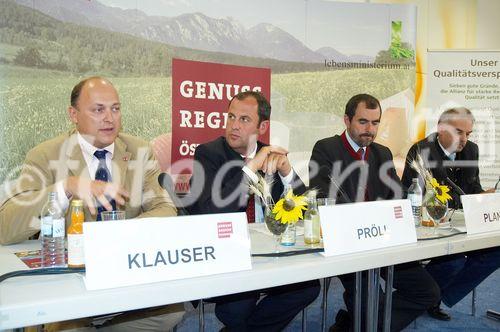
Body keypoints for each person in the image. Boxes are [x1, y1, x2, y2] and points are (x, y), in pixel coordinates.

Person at [0, 76, 184, 331]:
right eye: (99, 109)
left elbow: (165, 209)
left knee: (171, 312)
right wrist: (67, 187)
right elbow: (6, 227)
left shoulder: (139, 151)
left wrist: (116, 234)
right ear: (73, 114)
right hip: (69, 285)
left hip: (123, 275)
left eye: (115, 109)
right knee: (69, 325)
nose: (110, 118)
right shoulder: (46, 155)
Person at [188, 91, 320, 331]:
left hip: (270, 253)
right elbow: (212, 213)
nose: (234, 126)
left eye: (244, 120)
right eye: (231, 117)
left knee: (308, 288)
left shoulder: (270, 154)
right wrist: (251, 169)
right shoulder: (208, 154)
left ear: (263, 126)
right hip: (229, 255)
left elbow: (305, 211)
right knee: (237, 308)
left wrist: (288, 173)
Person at [309, 94, 440, 332]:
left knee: (428, 292)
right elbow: (324, 197)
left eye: (375, 122)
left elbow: (397, 195)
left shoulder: (382, 153)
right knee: (372, 310)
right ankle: (363, 321)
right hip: (349, 244)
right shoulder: (326, 148)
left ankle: (351, 324)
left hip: (384, 240)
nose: (370, 129)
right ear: (346, 120)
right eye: (363, 122)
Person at [401, 107, 500, 321]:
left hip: (464, 223)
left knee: (496, 251)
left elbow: (472, 188)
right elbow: (411, 195)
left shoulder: (471, 150)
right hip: (432, 225)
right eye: (459, 132)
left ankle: (436, 295)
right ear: (441, 129)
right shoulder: (421, 151)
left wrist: (484, 196)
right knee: (454, 260)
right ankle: (428, 296)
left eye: (468, 133)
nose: (464, 139)